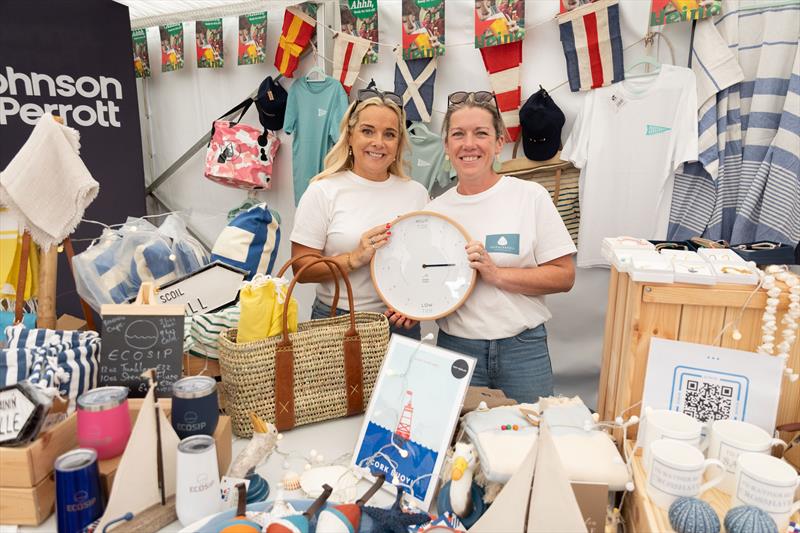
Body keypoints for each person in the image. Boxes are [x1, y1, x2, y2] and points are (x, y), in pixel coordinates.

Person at [396, 91, 576, 403]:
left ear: (498, 143)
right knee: (460, 444)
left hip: (523, 350)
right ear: (447, 147)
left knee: (527, 439)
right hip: (457, 349)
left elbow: (564, 276)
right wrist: (416, 306)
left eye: (481, 133)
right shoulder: (434, 212)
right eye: (458, 135)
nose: (469, 144)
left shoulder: (530, 196)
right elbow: (433, 282)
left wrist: (496, 274)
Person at [290, 88, 429, 339]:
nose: (378, 142)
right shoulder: (323, 190)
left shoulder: (417, 194)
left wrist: (415, 306)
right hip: (336, 323)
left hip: (399, 326)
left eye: (389, 134)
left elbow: (426, 264)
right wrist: (354, 259)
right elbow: (301, 270)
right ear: (350, 136)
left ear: (398, 144)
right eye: (367, 131)